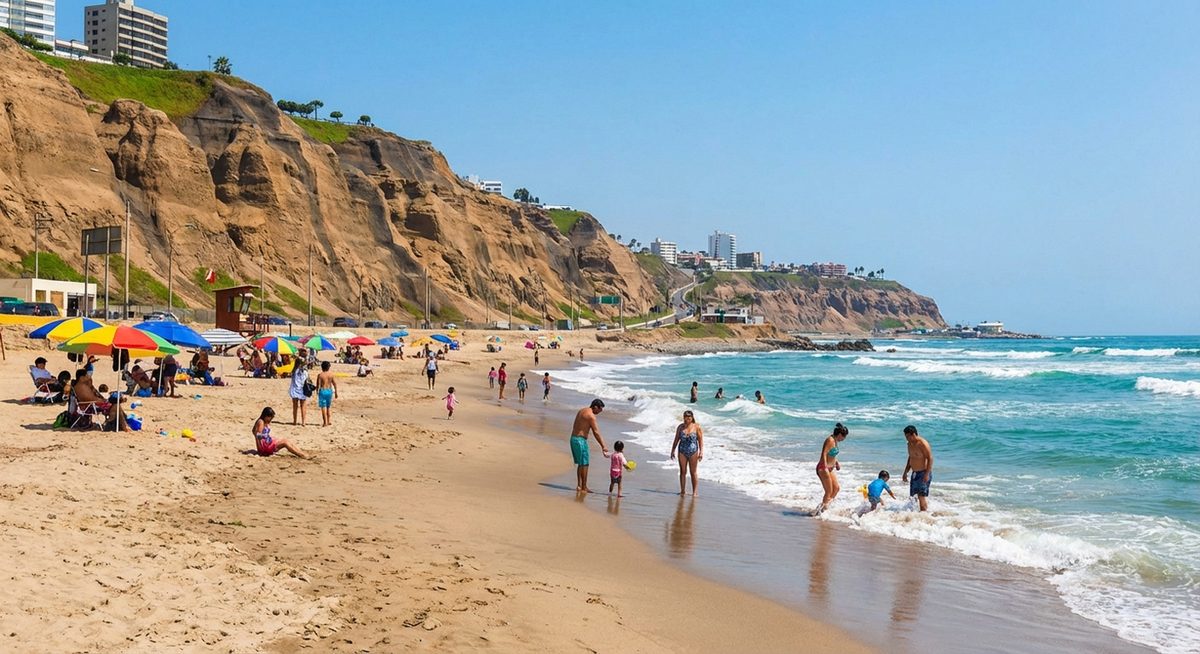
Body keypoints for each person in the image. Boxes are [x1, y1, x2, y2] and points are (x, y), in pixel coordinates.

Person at [570, 399, 609, 493]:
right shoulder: (591, 416)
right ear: (595, 407)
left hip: (573, 439)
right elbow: (596, 432)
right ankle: (584, 487)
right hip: (580, 441)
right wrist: (603, 446)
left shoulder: (582, 410)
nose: (599, 412)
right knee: (585, 464)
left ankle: (579, 486)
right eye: (599, 410)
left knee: (581, 463)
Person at [815, 422, 849, 513]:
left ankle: (825, 507)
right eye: (844, 436)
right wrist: (825, 467)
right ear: (840, 434)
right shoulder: (830, 440)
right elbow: (824, 453)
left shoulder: (835, 441)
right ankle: (821, 512)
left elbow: (832, 454)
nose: (844, 439)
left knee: (836, 488)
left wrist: (836, 463)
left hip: (830, 468)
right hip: (823, 468)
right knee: (829, 491)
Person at [670, 409, 704, 496]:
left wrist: (701, 452)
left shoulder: (697, 427)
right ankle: (682, 491)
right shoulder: (680, 427)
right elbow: (676, 439)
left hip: (693, 451)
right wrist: (672, 450)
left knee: (693, 472)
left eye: (689, 418)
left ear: (692, 418)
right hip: (682, 451)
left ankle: (695, 492)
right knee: (683, 471)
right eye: (685, 418)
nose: (687, 420)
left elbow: (700, 441)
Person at [902, 425, 934, 512]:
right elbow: (911, 457)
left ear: (913, 434)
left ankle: (924, 515)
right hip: (915, 473)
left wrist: (927, 474)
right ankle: (916, 516)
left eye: (908, 436)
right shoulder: (909, 444)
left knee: (921, 496)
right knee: (913, 497)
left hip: (923, 473)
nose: (907, 439)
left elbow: (930, 458)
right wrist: (905, 472)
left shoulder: (922, 444)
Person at [288, 350, 310, 426]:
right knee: (303, 404)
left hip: (295, 387)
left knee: (295, 405)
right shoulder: (305, 371)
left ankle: (295, 421)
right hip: (302, 387)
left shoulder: (295, 370)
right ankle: (303, 421)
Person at [316, 361, 338, 427]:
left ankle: (325, 422)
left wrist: (317, 391)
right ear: (329, 367)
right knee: (328, 407)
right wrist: (336, 392)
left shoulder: (320, 375)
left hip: (323, 391)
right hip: (329, 391)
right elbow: (334, 384)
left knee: (323, 407)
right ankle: (328, 421)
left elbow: (318, 385)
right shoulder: (331, 375)